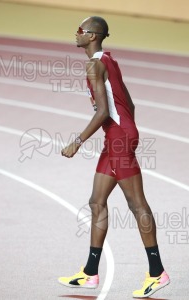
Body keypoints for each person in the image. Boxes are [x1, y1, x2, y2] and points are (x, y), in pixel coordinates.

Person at [58, 16, 170, 298]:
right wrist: (126, 131)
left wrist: (78, 141)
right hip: (117, 137)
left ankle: (157, 273)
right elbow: (129, 103)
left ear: (93, 35)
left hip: (118, 138)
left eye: (81, 30)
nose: (77, 33)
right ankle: (90, 273)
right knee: (96, 202)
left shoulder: (95, 65)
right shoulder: (109, 61)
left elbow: (103, 111)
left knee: (136, 204)